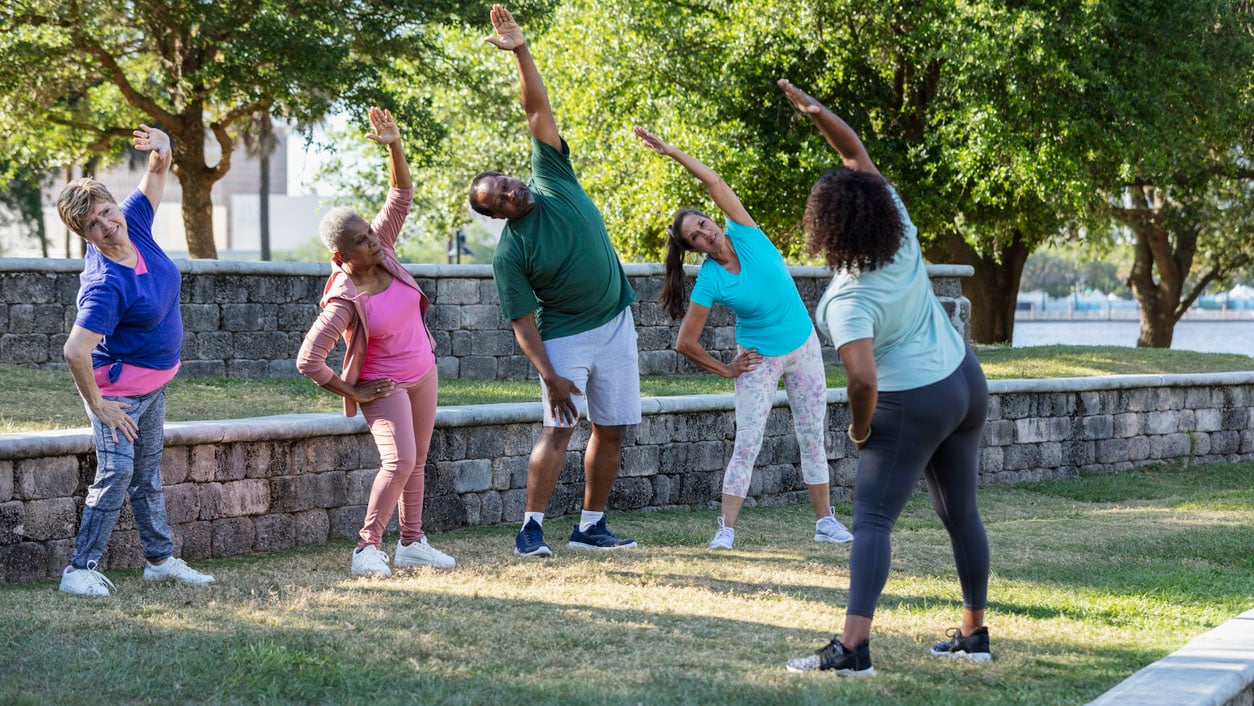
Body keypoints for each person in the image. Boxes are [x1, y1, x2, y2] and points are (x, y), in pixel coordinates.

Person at [777, 79, 992, 676]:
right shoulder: (898, 224)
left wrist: (860, 429)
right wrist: (821, 114)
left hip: (913, 400)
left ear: (827, 229)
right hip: (965, 381)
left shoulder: (847, 298)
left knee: (871, 519)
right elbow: (855, 157)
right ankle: (974, 635)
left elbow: (863, 381)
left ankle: (852, 649)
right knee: (962, 514)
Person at [469, 4, 639, 557]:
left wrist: (520, 50)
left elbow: (535, 106)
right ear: (497, 216)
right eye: (499, 201)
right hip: (565, 336)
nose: (510, 193)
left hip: (617, 322)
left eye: (505, 184)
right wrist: (548, 376)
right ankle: (530, 529)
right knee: (560, 429)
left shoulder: (552, 175)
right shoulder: (511, 252)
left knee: (611, 429)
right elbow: (522, 323)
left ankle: (591, 526)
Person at [632, 126, 853, 551]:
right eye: (696, 235)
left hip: (804, 346)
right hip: (759, 358)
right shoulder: (710, 280)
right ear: (693, 247)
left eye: (704, 222)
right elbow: (686, 341)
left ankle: (825, 522)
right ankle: (726, 530)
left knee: (812, 433)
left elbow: (712, 181)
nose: (706, 231)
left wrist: (672, 150)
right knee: (747, 440)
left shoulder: (747, 233)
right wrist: (726, 369)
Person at [56, 125, 215, 596]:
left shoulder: (134, 222)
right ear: (83, 234)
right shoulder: (105, 284)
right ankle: (78, 570)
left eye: (106, 212)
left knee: (146, 473)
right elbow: (75, 350)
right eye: (93, 225)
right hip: (119, 394)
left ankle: (160, 561)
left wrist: (162, 142)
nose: (107, 225)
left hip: (155, 385)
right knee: (118, 471)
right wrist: (100, 405)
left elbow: (158, 169)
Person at [297, 107, 455, 577]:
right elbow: (309, 360)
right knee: (400, 459)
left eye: (371, 232)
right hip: (383, 387)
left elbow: (401, 194)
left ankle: (413, 541)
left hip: (423, 371)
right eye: (363, 241)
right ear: (341, 255)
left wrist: (394, 145)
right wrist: (354, 391)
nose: (374, 242)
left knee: (418, 461)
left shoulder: (382, 247)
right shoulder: (344, 298)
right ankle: (367, 546)